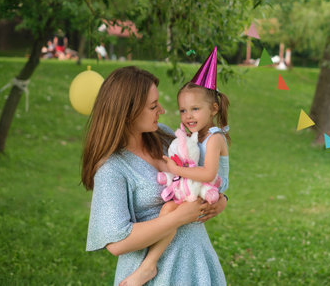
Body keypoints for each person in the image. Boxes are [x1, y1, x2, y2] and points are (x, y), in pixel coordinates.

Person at [82, 66, 228, 286]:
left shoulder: (165, 136)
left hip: (195, 262)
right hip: (157, 275)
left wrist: (221, 201)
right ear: (128, 111)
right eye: (153, 106)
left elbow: (202, 175)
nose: (161, 110)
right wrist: (179, 217)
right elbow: (116, 242)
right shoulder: (112, 167)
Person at [122, 47, 230, 286]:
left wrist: (176, 170)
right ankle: (149, 264)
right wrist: (167, 164)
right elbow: (180, 158)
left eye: (195, 109)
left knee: (170, 211)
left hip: (205, 187)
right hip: (196, 187)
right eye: (183, 110)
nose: (188, 116)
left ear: (213, 109)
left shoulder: (213, 138)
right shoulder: (191, 136)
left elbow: (209, 173)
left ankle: (149, 264)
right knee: (170, 212)